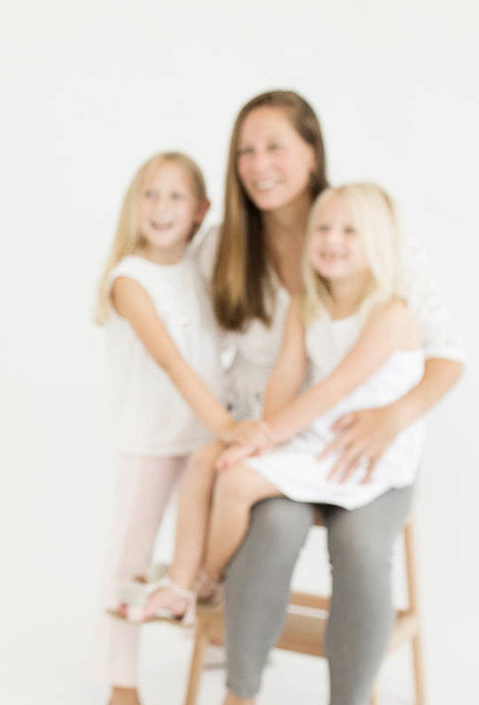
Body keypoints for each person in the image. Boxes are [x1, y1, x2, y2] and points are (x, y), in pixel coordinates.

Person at [169, 91, 464, 705]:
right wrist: (238, 431)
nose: (258, 164)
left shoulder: (369, 232)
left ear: (312, 153)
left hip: (369, 448)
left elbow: (446, 355)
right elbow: (197, 337)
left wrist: (394, 416)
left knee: (361, 549)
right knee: (271, 528)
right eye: (245, 150)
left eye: (275, 146)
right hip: (289, 438)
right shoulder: (227, 247)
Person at [140, 183, 425, 621]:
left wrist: (266, 439)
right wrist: (260, 435)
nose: (331, 239)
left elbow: (335, 389)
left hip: (354, 447)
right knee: (203, 460)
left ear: (378, 243)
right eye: (323, 228)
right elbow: (286, 377)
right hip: (308, 430)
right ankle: (178, 583)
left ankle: (207, 581)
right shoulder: (305, 303)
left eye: (350, 231)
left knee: (236, 481)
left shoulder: (391, 314)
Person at [92, 152, 268, 705]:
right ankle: (120, 691)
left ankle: (205, 626)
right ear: (134, 203)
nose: (161, 208)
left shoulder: (199, 265)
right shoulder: (130, 278)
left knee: (216, 542)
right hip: (152, 437)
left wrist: (223, 427)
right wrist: (227, 424)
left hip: (201, 436)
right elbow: (170, 360)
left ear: (200, 210)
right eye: (151, 194)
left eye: (176, 196)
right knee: (130, 559)